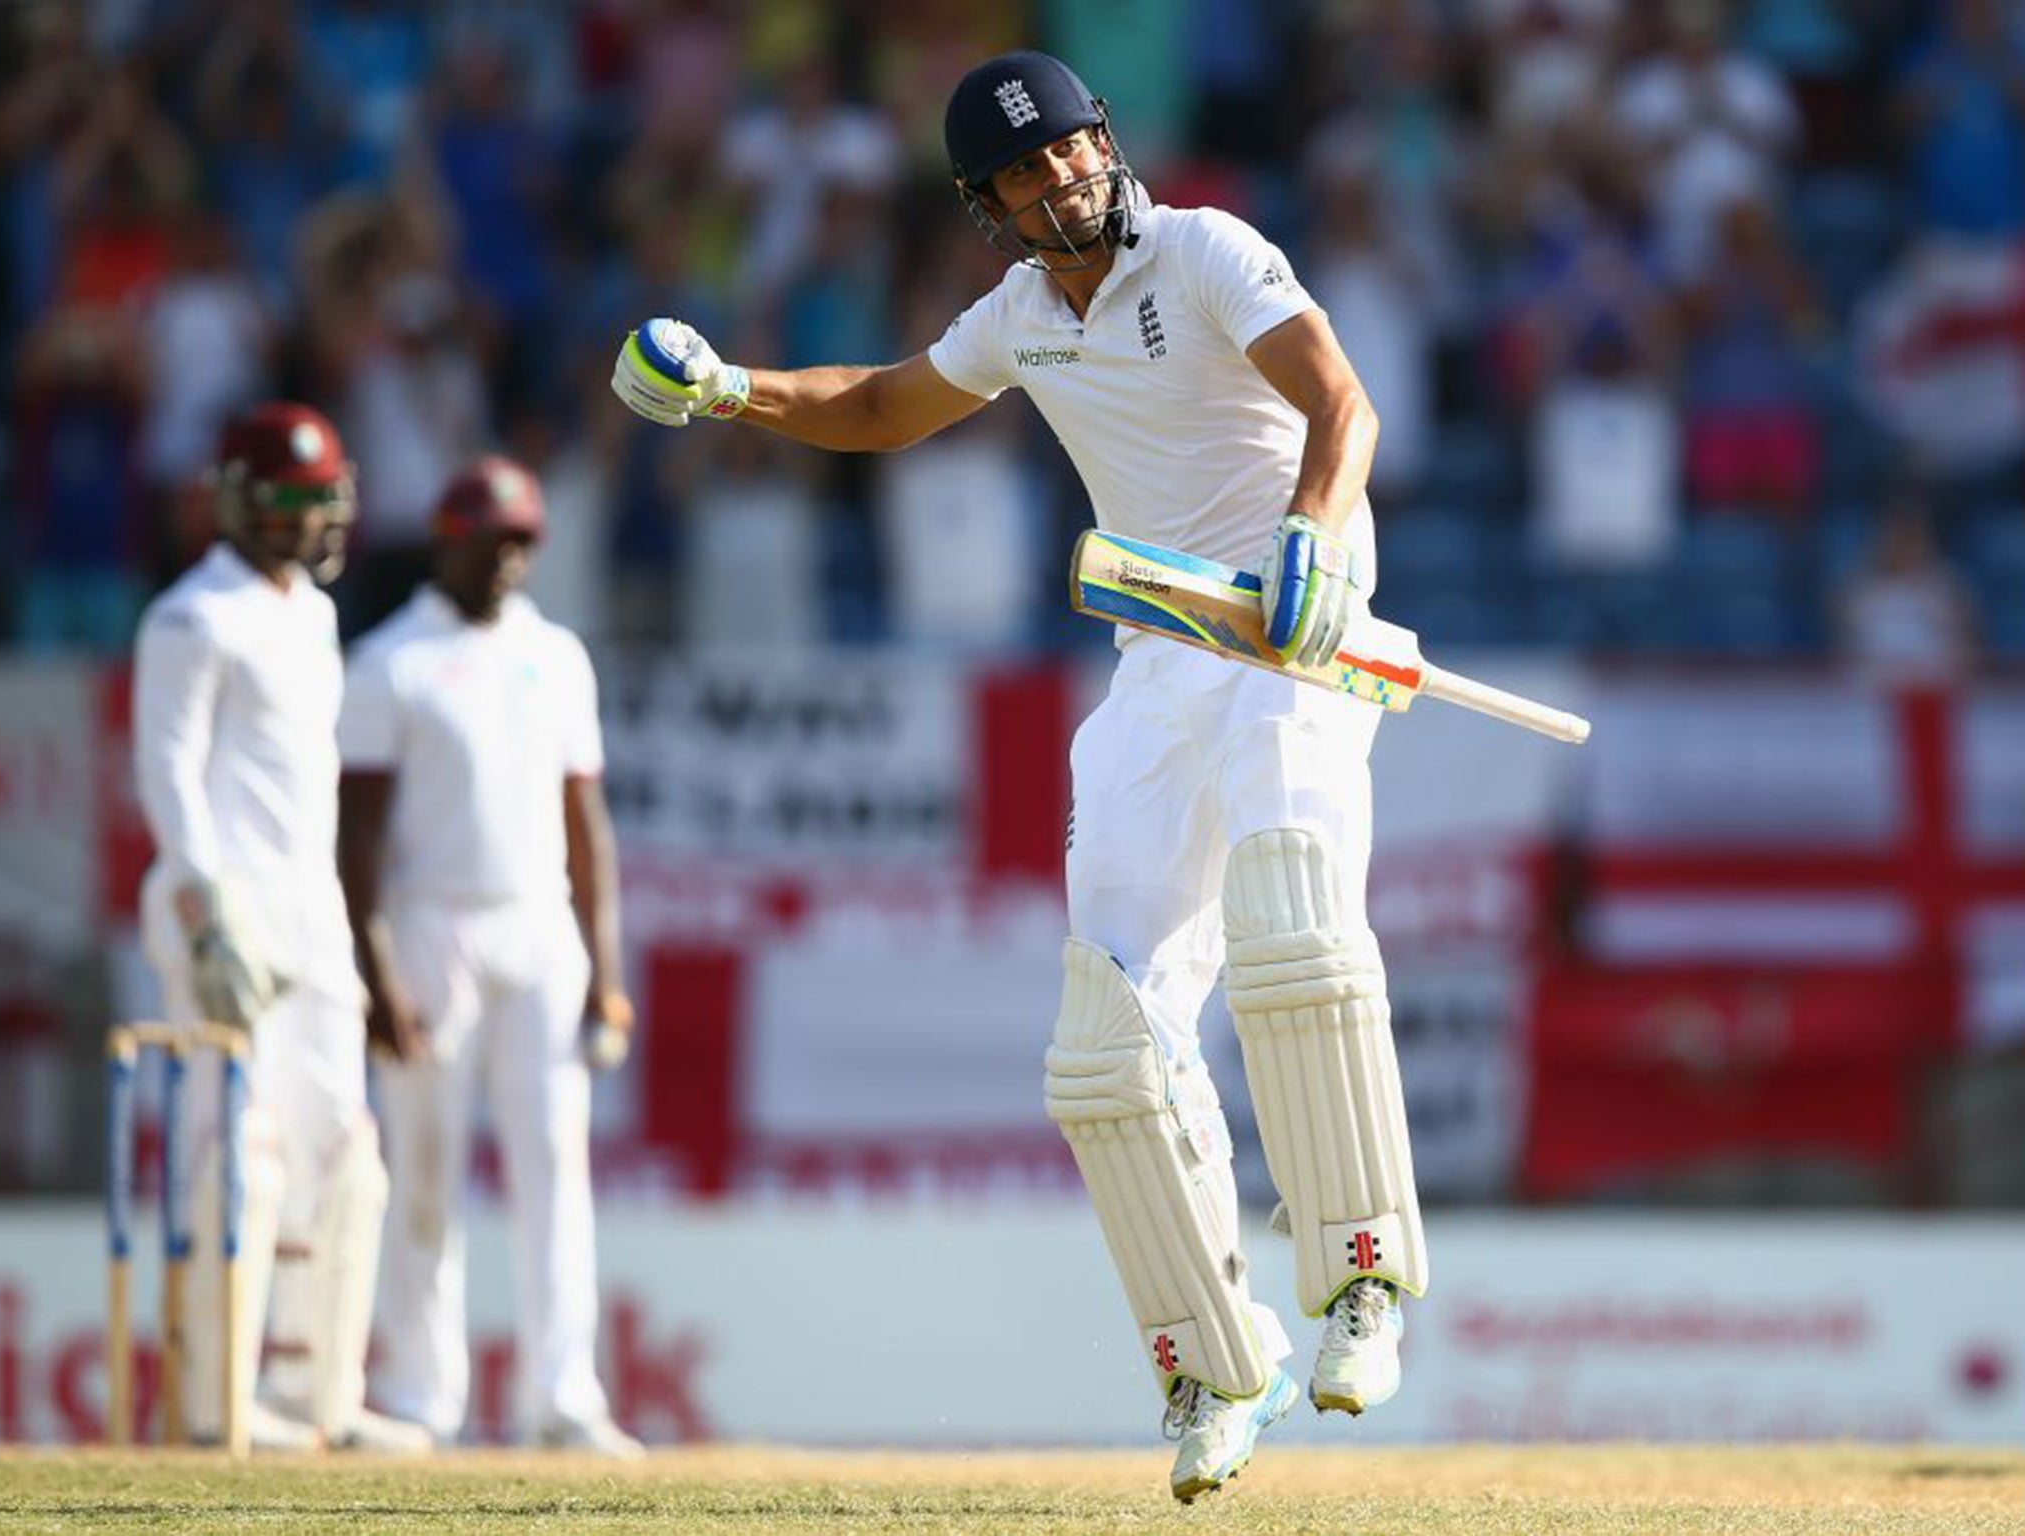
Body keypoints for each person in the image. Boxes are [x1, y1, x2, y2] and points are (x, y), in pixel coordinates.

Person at [611, 51, 1426, 1503]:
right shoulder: (1020, 321)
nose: (1058, 179)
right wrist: (730, 390)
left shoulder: (1207, 249)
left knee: (1293, 921)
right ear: (987, 205)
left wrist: (1311, 533)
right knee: (1106, 1043)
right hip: (1166, 657)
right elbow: (875, 406)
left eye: (1068, 150)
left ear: (1104, 143)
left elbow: (1343, 407)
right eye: (1022, 172)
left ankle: (1360, 1282)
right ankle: (1215, 1365)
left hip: (1297, 620)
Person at [131, 400, 433, 1453]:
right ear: (249, 506)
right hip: (224, 910)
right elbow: (166, 773)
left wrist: (345, 927)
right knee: (242, 1156)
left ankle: (323, 1401)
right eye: (302, 504)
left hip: (309, 917)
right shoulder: (189, 617)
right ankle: (218, 1403)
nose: (319, 523)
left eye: (326, 501)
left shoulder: (309, 612)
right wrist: (205, 907)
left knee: (347, 1155)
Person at [338, 455, 641, 1455]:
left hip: (538, 928)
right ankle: (423, 1395)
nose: (509, 559)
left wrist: (605, 968)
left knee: (555, 1168)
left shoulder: (556, 655)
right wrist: (374, 970)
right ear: (447, 538)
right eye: (492, 540)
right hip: (429, 930)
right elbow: (357, 838)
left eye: (523, 542)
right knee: (424, 1170)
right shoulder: (391, 662)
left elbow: (584, 821)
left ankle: (562, 1396)